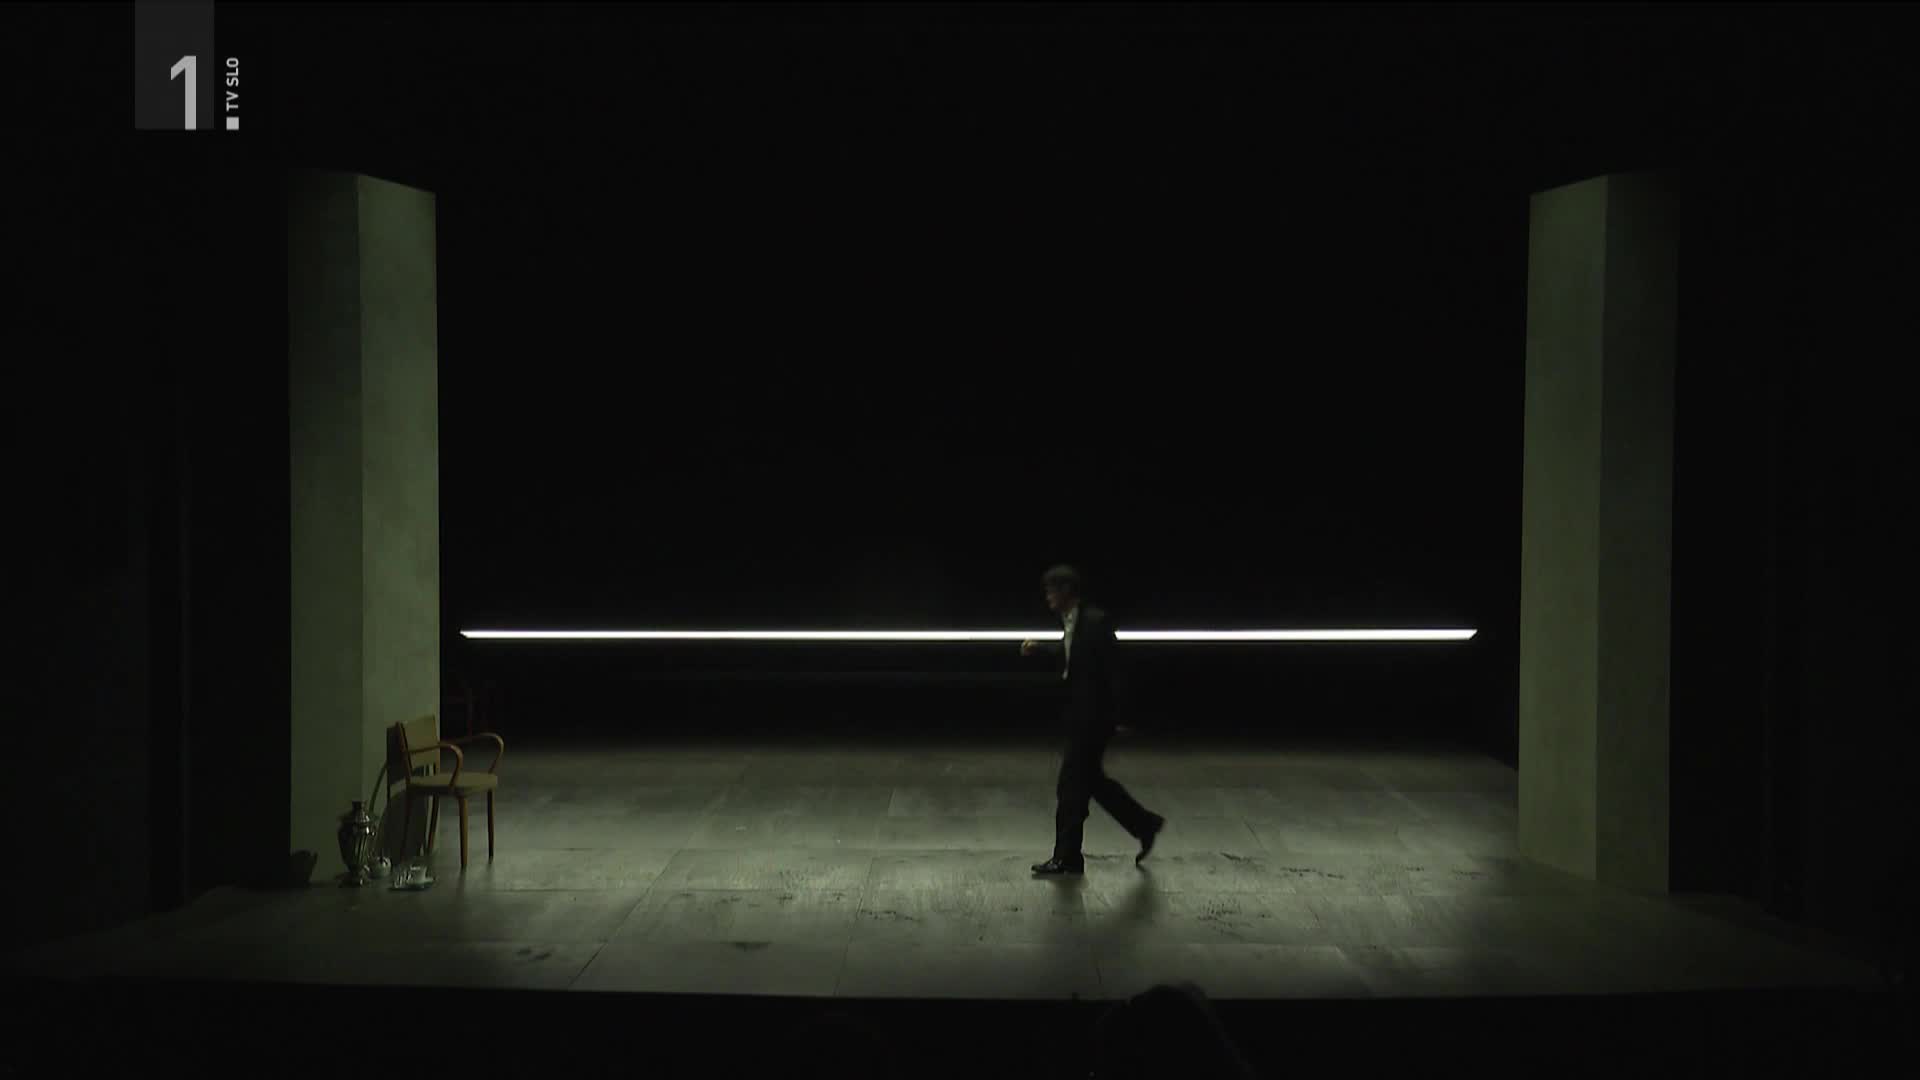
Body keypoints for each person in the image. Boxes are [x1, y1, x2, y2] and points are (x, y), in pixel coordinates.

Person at [1021, 564, 1165, 875]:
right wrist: (1042, 650)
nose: (1047, 597)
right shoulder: (1073, 621)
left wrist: (1121, 715)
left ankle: (1067, 857)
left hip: (1094, 718)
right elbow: (1072, 657)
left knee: (1071, 786)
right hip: (1081, 715)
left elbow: (1115, 670)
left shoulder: (1095, 622)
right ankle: (1144, 824)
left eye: (1051, 591)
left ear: (1066, 591)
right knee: (1090, 782)